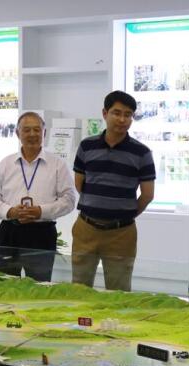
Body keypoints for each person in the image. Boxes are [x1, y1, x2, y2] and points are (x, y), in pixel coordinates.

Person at [72, 90, 156, 291]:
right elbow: (79, 184)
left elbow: (147, 195)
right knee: (79, 289)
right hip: (86, 228)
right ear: (105, 113)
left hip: (122, 233)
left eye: (128, 115)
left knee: (119, 291)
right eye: (116, 113)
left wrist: (125, 213)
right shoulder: (87, 146)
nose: (122, 119)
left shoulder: (142, 153)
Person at [0, 111, 76, 282]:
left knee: (39, 287)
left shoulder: (57, 165)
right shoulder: (5, 164)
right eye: (26, 130)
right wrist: (10, 211)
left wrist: (41, 211)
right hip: (9, 232)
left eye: (37, 129)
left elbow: (69, 200)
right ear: (17, 133)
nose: (32, 134)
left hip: (41, 234)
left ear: (44, 133)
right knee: (5, 285)